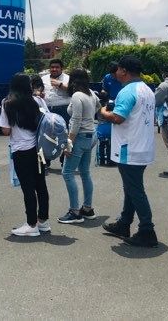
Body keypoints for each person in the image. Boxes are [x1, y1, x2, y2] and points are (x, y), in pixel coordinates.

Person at [101, 55, 158, 248]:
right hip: (142, 147)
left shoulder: (127, 91)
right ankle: (124, 223)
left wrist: (102, 112)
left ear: (124, 70)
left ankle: (147, 230)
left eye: (118, 69)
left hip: (129, 148)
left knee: (135, 190)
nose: (115, 72)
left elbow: (118, 118)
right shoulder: (147, 90)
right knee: (131, 188)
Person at [0, 73, 50, 237]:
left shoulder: (8, 103)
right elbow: (47, 121)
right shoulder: (38, 100)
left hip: (21, 150)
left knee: (28, 187)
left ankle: (31, 224)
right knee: (40, 185)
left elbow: (6, 130)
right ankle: (43, 221)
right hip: (39, 149)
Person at [58, 69, 101, 224]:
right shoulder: (90, 93)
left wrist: (68, 143)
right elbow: (98, 106)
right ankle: (87, 208)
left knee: (67, 173)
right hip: (89, 136)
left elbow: (75, 121)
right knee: (85, 172)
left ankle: (74, 211)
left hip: (79, 137)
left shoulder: (77, 96)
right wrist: (89, 118)